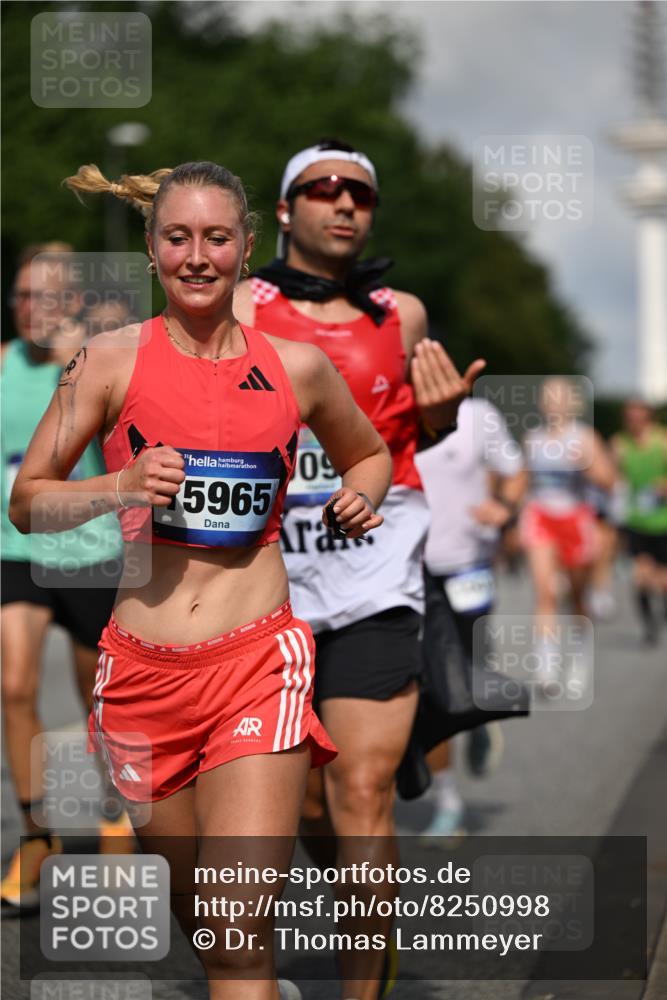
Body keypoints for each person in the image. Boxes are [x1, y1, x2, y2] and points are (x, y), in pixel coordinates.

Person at [10, 160, 392, 1000]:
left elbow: (369, 451)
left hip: (258, 662)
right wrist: (118, 486)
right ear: (151, 252)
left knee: (238, 927)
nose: (196, 256)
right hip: (142, 679)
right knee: (208, 933)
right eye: (177, 237)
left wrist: (360, 497)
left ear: (246, 249)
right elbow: (26, 503)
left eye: (215, 238)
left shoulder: (297, 368)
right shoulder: (105, 363)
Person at [234, 138, 485, 1000]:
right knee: (307, 803)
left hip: (376, 571)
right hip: (268, 581)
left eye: (360, 195)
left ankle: (359, 994)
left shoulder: (401, 315)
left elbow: (417, 436)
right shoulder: (238, 306)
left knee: (364, 783)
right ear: (282, 209)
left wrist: (443, 422)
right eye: (321, 189)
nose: (343, 204)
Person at [1, 244, 128, 912]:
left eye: (43, 296)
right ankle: (36, 837)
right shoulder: (1, 364)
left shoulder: (103, 363)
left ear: (73, 301)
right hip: (14, 546)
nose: (28, 309)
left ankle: (114, 816)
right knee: (12, 683)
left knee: (101, 706)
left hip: (91, 549)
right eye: (20, 295)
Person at [414, 395, 526, 837]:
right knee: (431, 682)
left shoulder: (478, 416)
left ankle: (478, 715)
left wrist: (506, 508)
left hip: (469, 565)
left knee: (470, 669)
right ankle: (448, 802)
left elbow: (516, 471)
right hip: (410, 568)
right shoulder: (387, 410)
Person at [520, 377, 616, 691]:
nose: (553, 402)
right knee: (546, 592)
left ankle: (578, 656)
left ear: (572, 403)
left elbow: (609, 481)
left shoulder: (585, 437)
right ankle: (546, 667)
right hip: (541, 516)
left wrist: (587, 465)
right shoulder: (533, 439)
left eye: (560, 396)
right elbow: (524, 482)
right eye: (548, 396)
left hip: (576, 519)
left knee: (577, 598)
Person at [612, 398, 667, 645]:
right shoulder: (619, 444)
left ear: (648, 417)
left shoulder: (662, 441)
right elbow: (610, 477)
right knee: (641, 577)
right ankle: (649, 626)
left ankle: (663, 614)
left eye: (638, 417)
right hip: (636, 519)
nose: (634, 422)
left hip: (663, 520)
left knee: (663, 579)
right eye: (629, 417)